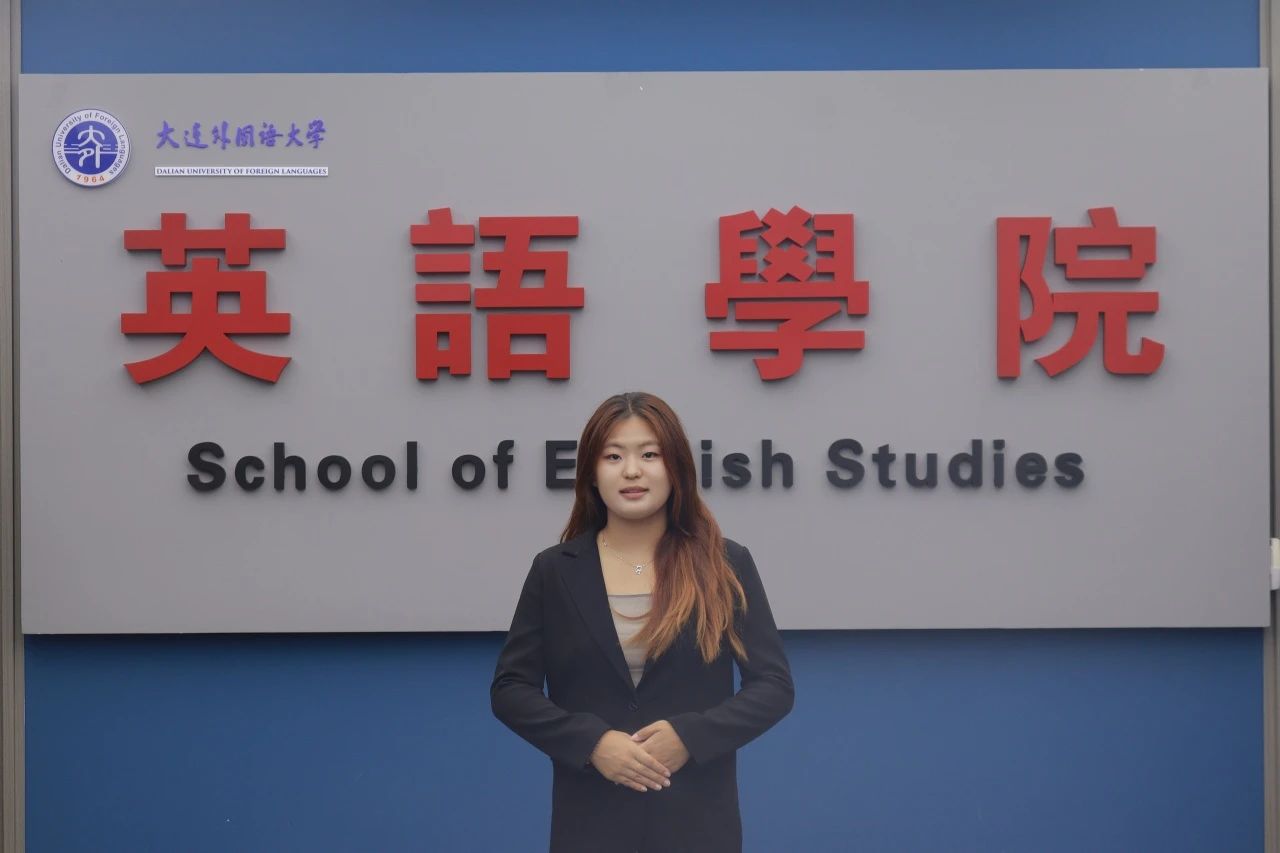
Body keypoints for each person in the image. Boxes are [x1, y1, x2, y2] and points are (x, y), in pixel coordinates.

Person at [491, 391, 795, 853]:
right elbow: (511, 689)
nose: (631, 471)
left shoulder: (724, 562)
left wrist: (690, 737)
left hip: (697, 825)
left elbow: (773, 686)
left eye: (649, 454)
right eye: (613, 456)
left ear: (676, 467)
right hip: (590, 825)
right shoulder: (555, 570)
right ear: (592, 473)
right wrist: (592, 743)